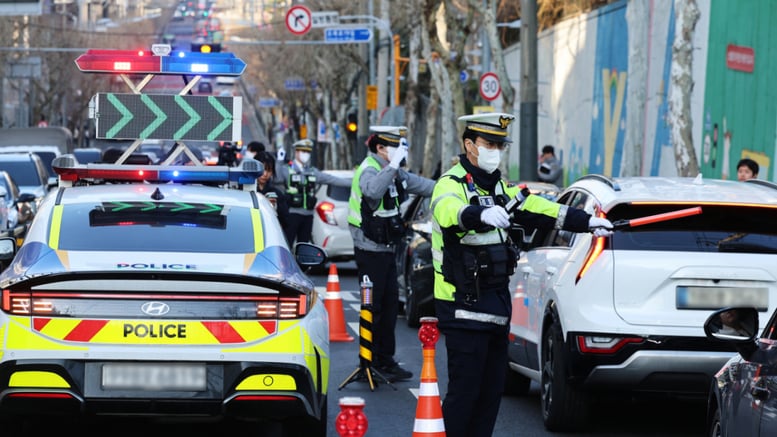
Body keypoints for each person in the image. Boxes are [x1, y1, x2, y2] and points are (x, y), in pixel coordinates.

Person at [431, 112, 613, 437]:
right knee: (464, 394)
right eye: (489, 143)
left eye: (500, 144)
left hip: (497, 309)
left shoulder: (501, 187)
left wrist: (585, 221)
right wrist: (479, 213)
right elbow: (448, 212)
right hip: (463, 308)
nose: (495, 150)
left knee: (489, 398)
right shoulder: (452, 183)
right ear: (469, 144)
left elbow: (541, 210)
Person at [347, 125, 435, 381]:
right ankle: (368, 362)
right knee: (372, 307)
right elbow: (373, 191)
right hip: (369, 249)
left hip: (386, 248)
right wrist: (393, 166)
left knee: (388, 307)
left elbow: (421, 185)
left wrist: (453, 187)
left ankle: (385, 360)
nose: (398, 152)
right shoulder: (370, 169)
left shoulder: (393, 171)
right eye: (394, 147)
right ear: (380, 148)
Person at [276, 138, 351, 247]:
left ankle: (302, 265)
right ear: (296, 152)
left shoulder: (312, 171)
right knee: (287, 243)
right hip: (292, 214)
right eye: (303, 151)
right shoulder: (286, 169)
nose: (306, 154)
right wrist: (279, 161)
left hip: (308, 215)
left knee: (304, 246)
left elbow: (332, 179)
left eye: (308, 152)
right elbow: (276, 178)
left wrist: (354, 183)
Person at [255, 150, 288, 228]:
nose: (265, 174)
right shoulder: (244, 190)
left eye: (269, 170)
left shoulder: (277, 194)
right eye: (263, 170)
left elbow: (286, 221)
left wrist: (275, 207)